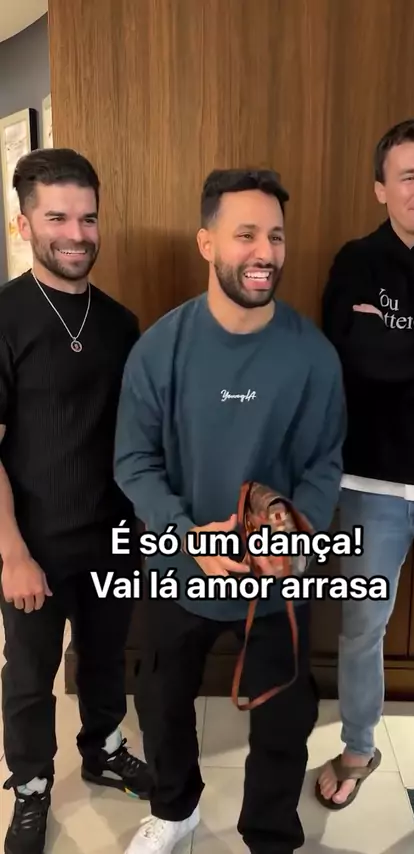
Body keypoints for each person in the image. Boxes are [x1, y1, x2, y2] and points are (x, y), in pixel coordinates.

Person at [113, 167, 346, 854]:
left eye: (275, 236)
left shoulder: (313, 356)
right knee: (160, 702)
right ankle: (174, 810)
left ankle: (270, 836)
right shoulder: (160, 349)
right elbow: (134, 462)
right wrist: (188, 538)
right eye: (246, 235)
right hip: (179, 566)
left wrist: (291, 538)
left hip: (275, 580)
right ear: (207, 243)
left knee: (284, 718)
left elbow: (323, 465)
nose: (264, 252)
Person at [315, 117, 414, 850]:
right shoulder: (356, 262)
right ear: (380, 187)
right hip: (370, 482)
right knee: (360, 628)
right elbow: (353, 361)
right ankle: (358, 747)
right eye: (407, 175)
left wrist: (401, 352)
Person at [0, 148, 151, 854]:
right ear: (23, 224)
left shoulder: (121, 323)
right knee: (31, 678)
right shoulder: (5, 317)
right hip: (32, 543)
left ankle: (104, 750)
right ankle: (32, 788)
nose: (76, 234)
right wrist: (11, 554)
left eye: (87, 218)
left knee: (104, 656)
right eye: (57, 217)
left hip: (112, 536)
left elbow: (136, 438)